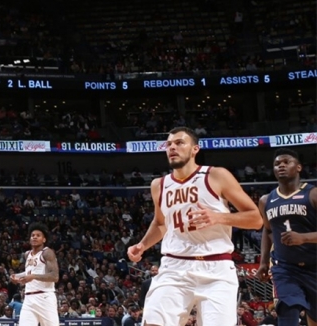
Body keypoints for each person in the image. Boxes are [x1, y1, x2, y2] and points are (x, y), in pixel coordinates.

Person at [127, 126, 263, 326]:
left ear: (195, 149)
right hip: (174, 267)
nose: (172, 147)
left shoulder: (216, 175)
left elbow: (256, 219)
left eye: (180, 143)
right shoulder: (159, 185)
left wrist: (219, 217)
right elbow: (161, 223)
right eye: (169, 144)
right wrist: (143, 245)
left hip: (216, 268)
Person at [256, 149, 317, 326]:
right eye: (277, 163)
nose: (281, 165)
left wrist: (304, 238)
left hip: (314, 266)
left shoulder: (313, 194)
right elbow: (267, 232)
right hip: (285, 268)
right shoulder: (266, 200)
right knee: (287, 310)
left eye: (286, 162)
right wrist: (263, 262)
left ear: (298, 167)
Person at [11, 223, 60, 326]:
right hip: (28, 298)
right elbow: (30, 272)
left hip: (44, 297)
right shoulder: (27, 254)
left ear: (44, 239)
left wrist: (33, 277)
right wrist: (17, 276)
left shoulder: (47, 252)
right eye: (33, 235)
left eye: (38, 235)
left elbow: (54, 276)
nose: (34, 237)